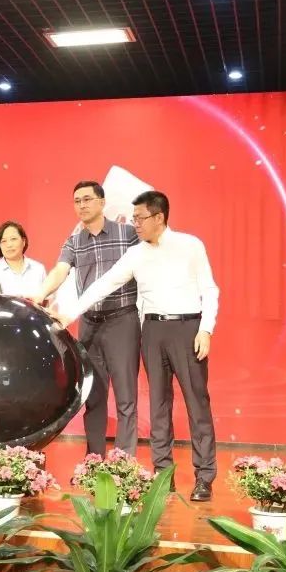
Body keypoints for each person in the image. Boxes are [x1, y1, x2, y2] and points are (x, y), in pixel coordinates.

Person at [55, 190, 219, 502]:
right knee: (158, 405)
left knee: (197, 404)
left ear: (159, 217)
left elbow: (209, 289)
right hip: (152, 330)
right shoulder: (136, 254)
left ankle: (204, 476)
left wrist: (206, 329)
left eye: (141, 218)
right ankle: (163, 475)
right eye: (134, 219)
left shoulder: (190, 245)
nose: (136, 225)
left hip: (188, 328)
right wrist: (69, 314)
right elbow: (104, 284)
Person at [29, 180, 141, 458]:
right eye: (77, 201)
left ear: (102, 202)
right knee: (94, 396)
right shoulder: (75, 241)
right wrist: (40, 294)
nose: (82, 205)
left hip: (122, 320)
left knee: (126, 397)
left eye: (87, 199)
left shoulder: (128, 234)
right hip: (90, 323)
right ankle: (94, 462)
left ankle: (124, 464)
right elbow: (60, 270)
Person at [0, 221, 47, 297]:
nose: (9, 245)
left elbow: (46, 300)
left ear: (23, 242)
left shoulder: (38, 269)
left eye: (13, 239)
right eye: (3, 241)